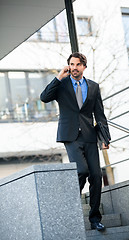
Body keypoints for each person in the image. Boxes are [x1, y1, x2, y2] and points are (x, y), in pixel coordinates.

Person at [40, 52, 111, 231]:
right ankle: (69, 204)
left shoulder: (93, 87)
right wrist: (58, 77)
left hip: (89, 136)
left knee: (96, 176)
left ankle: (95, 218)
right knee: (82, 170)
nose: (74, 67)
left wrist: (105, 137)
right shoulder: (61, 85)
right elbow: (44, 97)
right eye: (71, 64)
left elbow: (100, 115)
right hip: (70, 135)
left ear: (84, 67)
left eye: (78, 64)